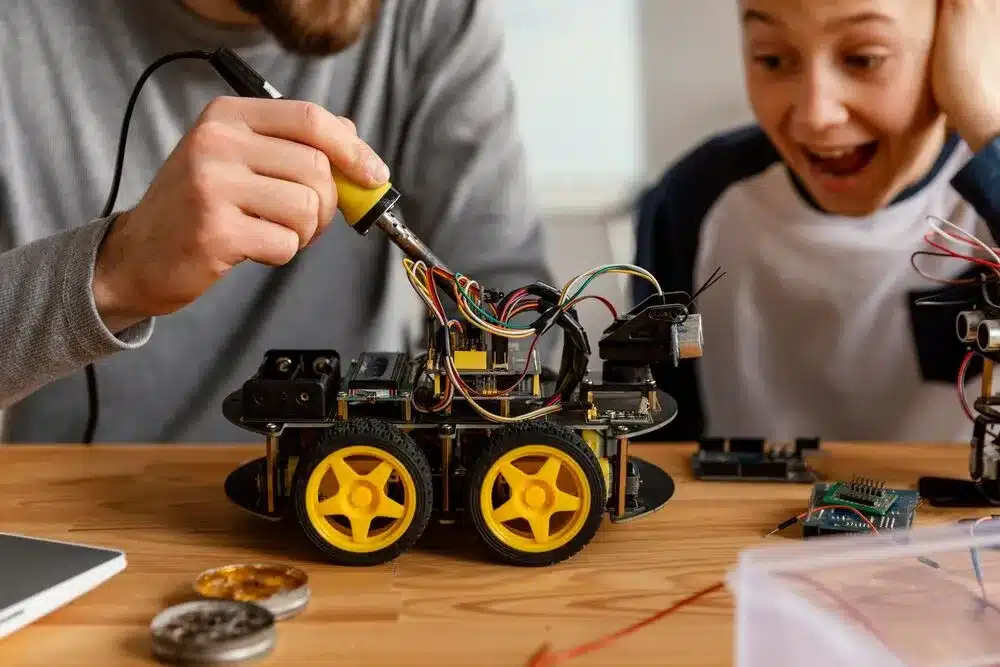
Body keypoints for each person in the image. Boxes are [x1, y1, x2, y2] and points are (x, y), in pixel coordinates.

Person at [0, 0, 555, 442]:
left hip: (363, 498)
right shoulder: (19, 31)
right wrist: (114, 273)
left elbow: (506, 297)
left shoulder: (433, 15)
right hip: (86, 529)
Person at [632, 0, 1000, 443]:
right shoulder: (692, 202)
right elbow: (653, 441)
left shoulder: (987, 185)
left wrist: (982, 115)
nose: (815, 116)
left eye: (864, 59)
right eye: (771, 59)